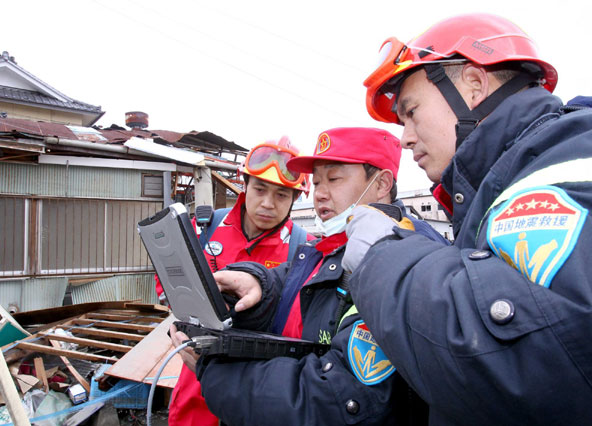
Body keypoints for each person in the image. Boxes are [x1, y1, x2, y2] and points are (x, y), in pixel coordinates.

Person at [342, 13, 592, 425]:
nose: (405, 137)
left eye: (410, 112)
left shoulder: (570, 158)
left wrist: (383, 254)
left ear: (474, 85)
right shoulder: (501, 187)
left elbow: (536, 361)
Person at [171, 127, 447, 425]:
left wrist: (215, 374)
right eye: (316, 182)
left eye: (334, 178)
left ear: (381, 183)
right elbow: (284, 286)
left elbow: (337, 398)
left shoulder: (400, 261)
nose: (320, 194)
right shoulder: (320, 250)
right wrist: (257, 285)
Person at [167, 137, 312, 426]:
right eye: (260, 189)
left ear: (295, 199)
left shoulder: (304, 250)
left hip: (255, 388)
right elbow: (170, 282)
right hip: (195, 381)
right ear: (245, 185)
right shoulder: (206, 227)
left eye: (282, 195)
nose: (268, 204)